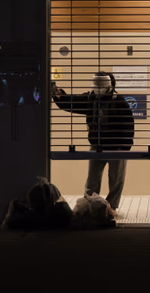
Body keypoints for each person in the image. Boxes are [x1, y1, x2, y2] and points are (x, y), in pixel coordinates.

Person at [51, 71, 134, 212]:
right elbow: (72, 102)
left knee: (116, 180)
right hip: (97, 145)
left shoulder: (119, 101)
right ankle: (89, 203)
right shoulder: (91, 99)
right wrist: (59, 94)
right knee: (92, 179)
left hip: (116, 147)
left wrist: (124, 147)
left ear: (109, 86)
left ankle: (111, 206)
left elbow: (128, 125)